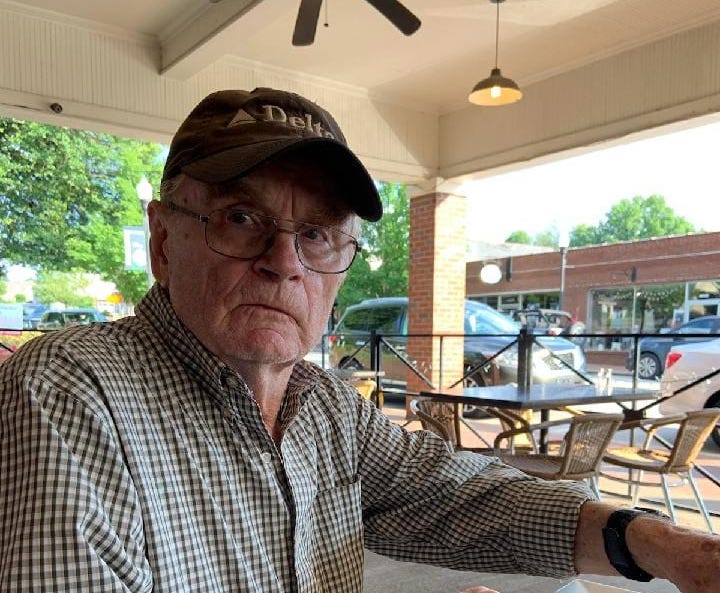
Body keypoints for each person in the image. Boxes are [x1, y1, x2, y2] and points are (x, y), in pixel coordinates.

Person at [0, 87, 718, 593]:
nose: (285, 262)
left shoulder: (327, 408)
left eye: (316, 233)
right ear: (163, 241)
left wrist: (659, 542)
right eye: (242, 218)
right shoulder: (70, 389)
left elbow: (458, 495)